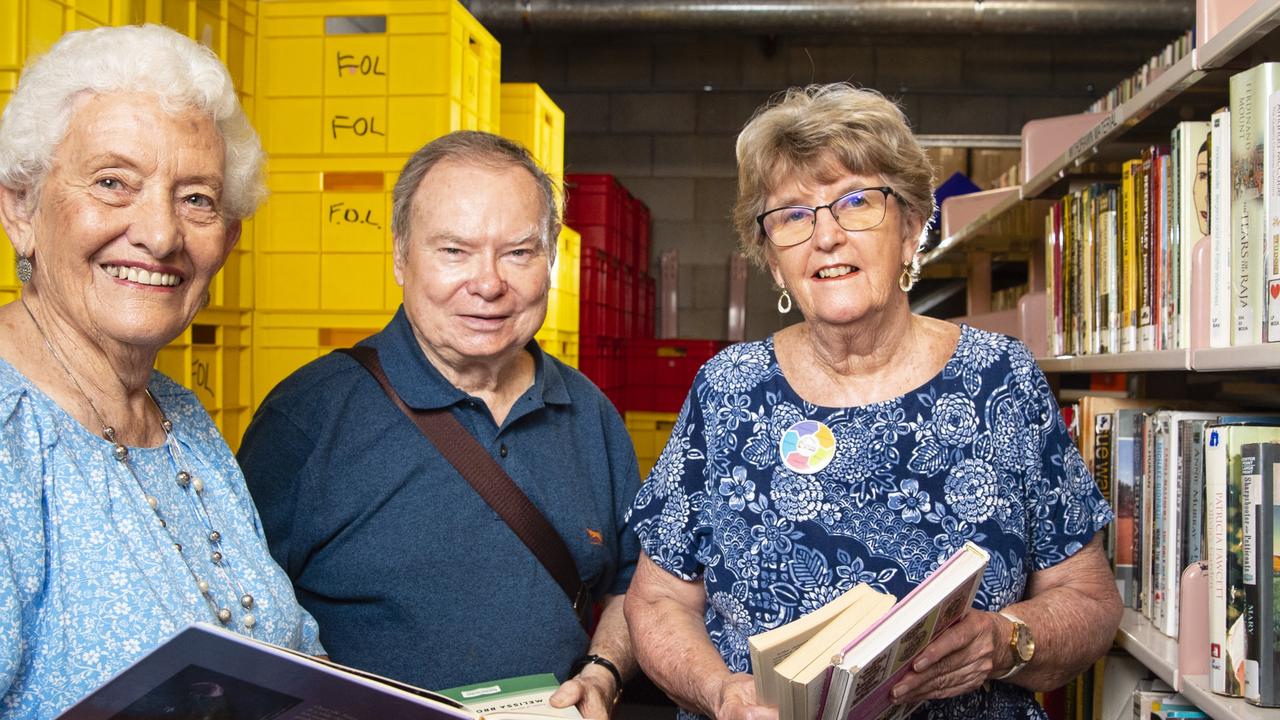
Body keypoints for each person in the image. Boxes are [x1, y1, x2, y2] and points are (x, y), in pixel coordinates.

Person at [624, 84, 1121, 720]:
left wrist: (1006, 641)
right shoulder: (728, 390)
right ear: (773, 261)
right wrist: (719, 692)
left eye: (857, 202)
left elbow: (1088, 598)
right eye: (794, 215)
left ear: (913, 228)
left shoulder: (1002, 380)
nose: (825, 236)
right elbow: (658, 600)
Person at [238, 131, 640, 718]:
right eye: (454, 251)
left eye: (519, 252)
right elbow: (236, 623)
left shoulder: (591, 415)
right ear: (401, 256)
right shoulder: (307, 419)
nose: (488, 283)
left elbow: (634, 585)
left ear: (550, 260)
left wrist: (603, 672)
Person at [0, 24, 323, 719]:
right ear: (20, 208)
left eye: (197, 198)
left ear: (228, 239)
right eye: (113, 182)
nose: (161, 234)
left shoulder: (179, 419)